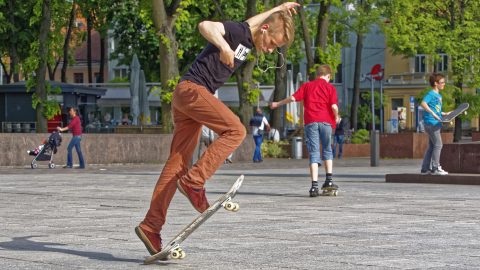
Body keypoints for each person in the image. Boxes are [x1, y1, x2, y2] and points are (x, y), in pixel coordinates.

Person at [135, 2, 299, 256]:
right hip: (193, 91)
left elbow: (256, 22)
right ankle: (194, 182)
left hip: (186, 97)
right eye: (272, 43)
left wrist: (278, 7)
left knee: (176, 163)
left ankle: (151, 226)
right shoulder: (236, 32)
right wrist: (223, 46)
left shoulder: (248, 33)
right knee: (236, 130)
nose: (268, 50)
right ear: (265, 30)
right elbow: (205, 26)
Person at [270, 64, 339, 197]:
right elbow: (334, 106)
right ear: (328, 76)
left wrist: (277, 104)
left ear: (317, 74)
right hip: (326, 122)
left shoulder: (307, 86)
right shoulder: (330, 88)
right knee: (327, 149)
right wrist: (336, 117)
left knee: (314, 152)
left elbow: (292, 98)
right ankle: (329, 181)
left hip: (311, 122)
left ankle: (314, 187)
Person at [420, 73, 451, 176]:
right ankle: (435, 168)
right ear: (435, 83)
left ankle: (425, 169)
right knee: (438, 145)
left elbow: (436, 110)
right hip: (431, 123)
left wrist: (444, 113)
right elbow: (423, 103)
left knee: (432, 146)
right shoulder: (431, 94)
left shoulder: (438, 95)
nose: (444, 84)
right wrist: (433, 114)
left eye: (444, 82)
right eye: (442, 82)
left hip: (434, 123)